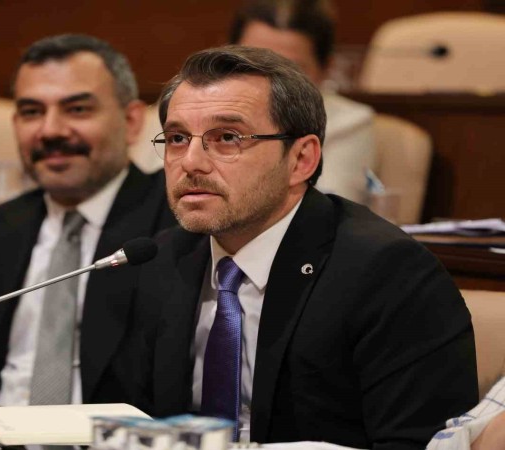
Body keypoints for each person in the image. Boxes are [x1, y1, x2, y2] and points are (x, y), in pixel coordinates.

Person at [105, 46, 477, 449]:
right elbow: (131, 421)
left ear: (301, 159)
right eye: (178, 138)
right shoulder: (161, 260)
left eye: (227, 138)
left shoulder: (389, 274)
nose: (191, 162)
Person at [0, 34, 175, 406]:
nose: (50, 131)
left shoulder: (173, 223)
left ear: (132, 121)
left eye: (77, 109)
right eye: (31, 112)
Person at [230, 0, 375, 204]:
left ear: (325, 69)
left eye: (289, 70)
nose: (266, 81)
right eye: (251, 63)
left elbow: (329, 207)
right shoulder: (194, 112)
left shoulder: (350, 123)